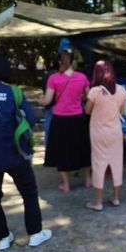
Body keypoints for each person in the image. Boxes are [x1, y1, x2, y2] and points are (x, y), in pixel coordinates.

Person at [0, 53, 52, 250]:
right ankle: (35, 234)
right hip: (13, 153)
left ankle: (2, 238)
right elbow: (30, 121)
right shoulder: (14, 93)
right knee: (29, 192)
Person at [40, 46, 91, 193]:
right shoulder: (81, 77)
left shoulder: (53, 78)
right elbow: (88, 96)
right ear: (73, 61)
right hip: (77, 118)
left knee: (62, 151)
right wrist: (79, 97)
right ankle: (88, 179)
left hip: (60, 119)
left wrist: (40, 100)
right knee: (83, 148)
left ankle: (66, 185)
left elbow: (47, 101)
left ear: (59, 62)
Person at [84, 60, 126, 211]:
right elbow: (122, 112)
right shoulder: (122, 90)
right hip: (115, 132)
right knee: (117, 162)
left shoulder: (95, 92)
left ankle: (98, 202)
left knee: (99, 164)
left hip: (98, 133)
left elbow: (87, 111)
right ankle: (116, 198)